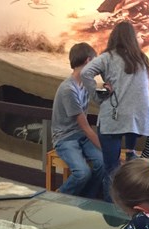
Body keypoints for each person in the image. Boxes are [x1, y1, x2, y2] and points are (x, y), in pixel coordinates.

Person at [81, 21, 149, 197]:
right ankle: (131, 152)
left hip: (113, 117)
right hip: (138, 119)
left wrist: (98, 94)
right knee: (130, 170)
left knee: (111, 169)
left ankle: (111, 210)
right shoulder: (142, 59)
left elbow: (85, 73)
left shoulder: (107, 58)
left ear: (113, 37)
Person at [51, 42, 107, 199]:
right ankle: (58, 198)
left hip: (80, 134)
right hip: (65, 137)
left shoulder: (85, 83)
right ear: (89, 61)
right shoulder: (68, 90)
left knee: (102, 164)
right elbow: (86, 128)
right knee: (82, 172)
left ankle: (86, 199)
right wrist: (107, 149)